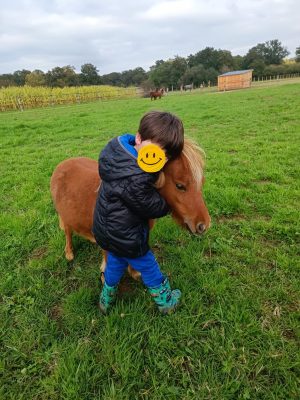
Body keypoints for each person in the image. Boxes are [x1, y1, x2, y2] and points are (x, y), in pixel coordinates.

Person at [93, 111, 184, 315]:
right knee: (149, 266)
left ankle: (106, 299)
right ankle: (166, 301)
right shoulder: (137, 176)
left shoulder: (116, 154)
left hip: (105, 230)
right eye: (155, 152)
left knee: (114, 264)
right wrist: (169, 203)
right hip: (128, 236)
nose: (159, 160)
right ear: (139, 138)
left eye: (165, 156)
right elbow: (151, 207)